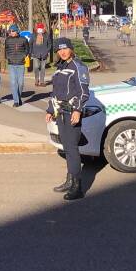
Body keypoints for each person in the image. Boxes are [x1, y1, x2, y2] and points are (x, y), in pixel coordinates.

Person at [46, 38, 90, 201]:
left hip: (72, 112)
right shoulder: (59, 68)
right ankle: (69, 181)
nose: (62, 52)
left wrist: (78, 110)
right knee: (66, 148)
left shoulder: (78, 67)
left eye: (65, 49)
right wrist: (50, 109)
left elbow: (84, 92)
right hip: (61, 113)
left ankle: (77, 187)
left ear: (71, 49)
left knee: (72, 149)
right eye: (59, 50)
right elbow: (55, 91)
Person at [4, 24, 30, 107]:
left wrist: (24, 56)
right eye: (10, 31)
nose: (11, 32)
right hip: (11, 64)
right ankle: (16, 101)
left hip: (21, 64)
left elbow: (27, 49)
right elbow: (6, 50)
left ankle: (18, 97)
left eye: (13, 31)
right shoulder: (7, 40)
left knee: (21, 83)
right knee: (13, 82)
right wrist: (8, 57)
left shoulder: (23, 39)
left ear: (17, 31)